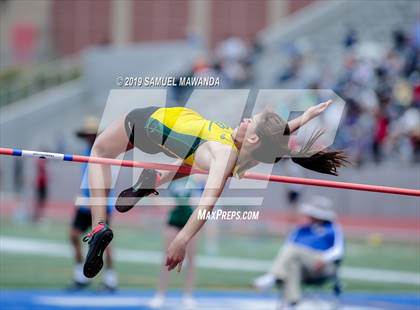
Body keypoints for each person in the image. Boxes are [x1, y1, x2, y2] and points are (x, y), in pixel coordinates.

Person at [82, 100, 348, 279]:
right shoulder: (248, 151)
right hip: (184, 142)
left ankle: (98, 226)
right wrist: (305, 117)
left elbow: (207, 203)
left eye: (249, 122)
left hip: (148, 123)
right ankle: (156, 180)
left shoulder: (225, 155)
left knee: (99, 151)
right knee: (189, 162)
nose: (244, 120)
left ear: (253, 137)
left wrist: (182, 239)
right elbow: (273, 137)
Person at [253, 196, 344, 309]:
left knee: (292, 250)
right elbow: (286, 248)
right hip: (303, 269)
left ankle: (273, 276)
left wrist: (324, 259)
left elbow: (338, 250)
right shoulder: (301, 229)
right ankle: (292, 302)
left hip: (322, 266)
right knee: (292, 265)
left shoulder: (332, 228)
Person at [69, 117, 117, 291]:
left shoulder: (103, 153)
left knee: (104, 243)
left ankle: (111, 280)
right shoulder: (85, 152)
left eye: (92, 134)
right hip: (85, 205)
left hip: (100, 205)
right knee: (73, 235)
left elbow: (106, 184)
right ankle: (80, 276)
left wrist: (98, 204)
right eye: (87, 135)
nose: (90, 137)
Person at [149, 178, 200, 309]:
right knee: (167, 258)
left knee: (192, 260)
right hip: (174, 221)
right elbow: (160, 200)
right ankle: (160, 295)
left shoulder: (198, 177)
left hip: (191, 223)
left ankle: (187, 295)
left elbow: (202, 200)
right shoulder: (172, 177)